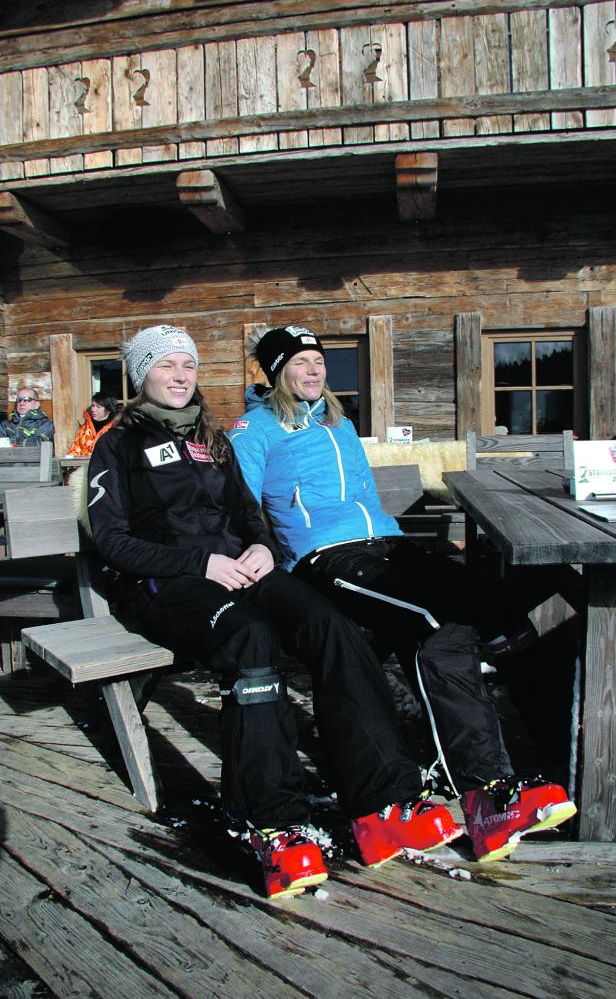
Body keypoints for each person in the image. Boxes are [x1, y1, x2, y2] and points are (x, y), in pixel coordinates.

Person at [86, 323, 462, 899]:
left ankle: (381, 800)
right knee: (252, 639)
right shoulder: (119, 443)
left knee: (330, 626)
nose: (181, 377)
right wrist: (198, 565)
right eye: (166, 366)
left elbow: (246, 513)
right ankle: (270, 820)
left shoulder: (211, 439)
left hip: (241, 567)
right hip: (167, 583)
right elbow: (111, 539)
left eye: (187, 366)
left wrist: (260, 546)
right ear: (141, 378)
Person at [229, 324, 577, 863]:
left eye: (319, 361)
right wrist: (265, 557)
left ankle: (561, 753)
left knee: (499, 608)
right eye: (300, 363)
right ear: (276, 373)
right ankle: (487, 792)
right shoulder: (254, 431)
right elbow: (243, 510)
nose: (314, 371)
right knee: (442, 620)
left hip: (387, 546)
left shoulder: (337, 423)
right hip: (329, 559)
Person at [66, 392, 118, 457]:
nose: (93, 409)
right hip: (85, 466)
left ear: (108, 410)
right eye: (93, 406)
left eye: (98, 407)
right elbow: (75, 450)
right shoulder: (84, 429)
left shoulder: (115, 429)